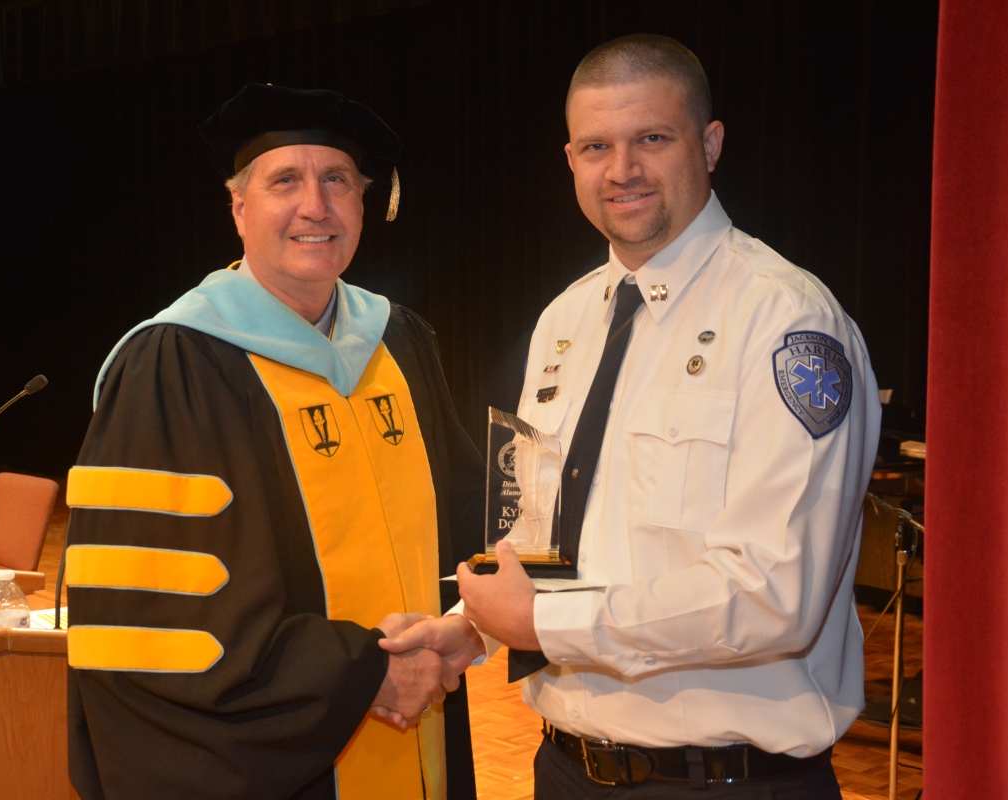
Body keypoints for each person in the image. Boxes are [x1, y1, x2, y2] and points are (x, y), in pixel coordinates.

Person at [383, 35, 881, 798]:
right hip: (564, 770)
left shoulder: (785, 322)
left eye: (652, 138)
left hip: (727, 782)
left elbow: (777, 595)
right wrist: (472, 623)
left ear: (709, 145)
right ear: (571, 161)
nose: (622, 171)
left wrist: (543, 629)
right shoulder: (565, 320)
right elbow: (543, 537)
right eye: (596, 146)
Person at [65, 84, 485, 800]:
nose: (315, 206)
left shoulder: (401, 342)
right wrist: (364, 672)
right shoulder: (176, 364)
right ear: (238, 208)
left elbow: (464, 516)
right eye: (284, 180)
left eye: (338, 181)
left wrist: (466, 623)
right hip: (280, 770)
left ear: (363, 202)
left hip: (423, 734)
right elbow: (159, 619)